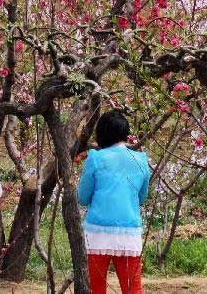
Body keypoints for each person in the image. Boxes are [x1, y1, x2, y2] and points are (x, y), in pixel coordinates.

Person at [78, 109, 150, 294]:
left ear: (102, 133)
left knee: (97, 289)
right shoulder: (141, 161)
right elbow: (141, 198)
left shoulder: (95, 158)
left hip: (97, 234)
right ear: (126, 134)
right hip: (129, 234)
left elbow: (83, 198)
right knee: (133, 289)